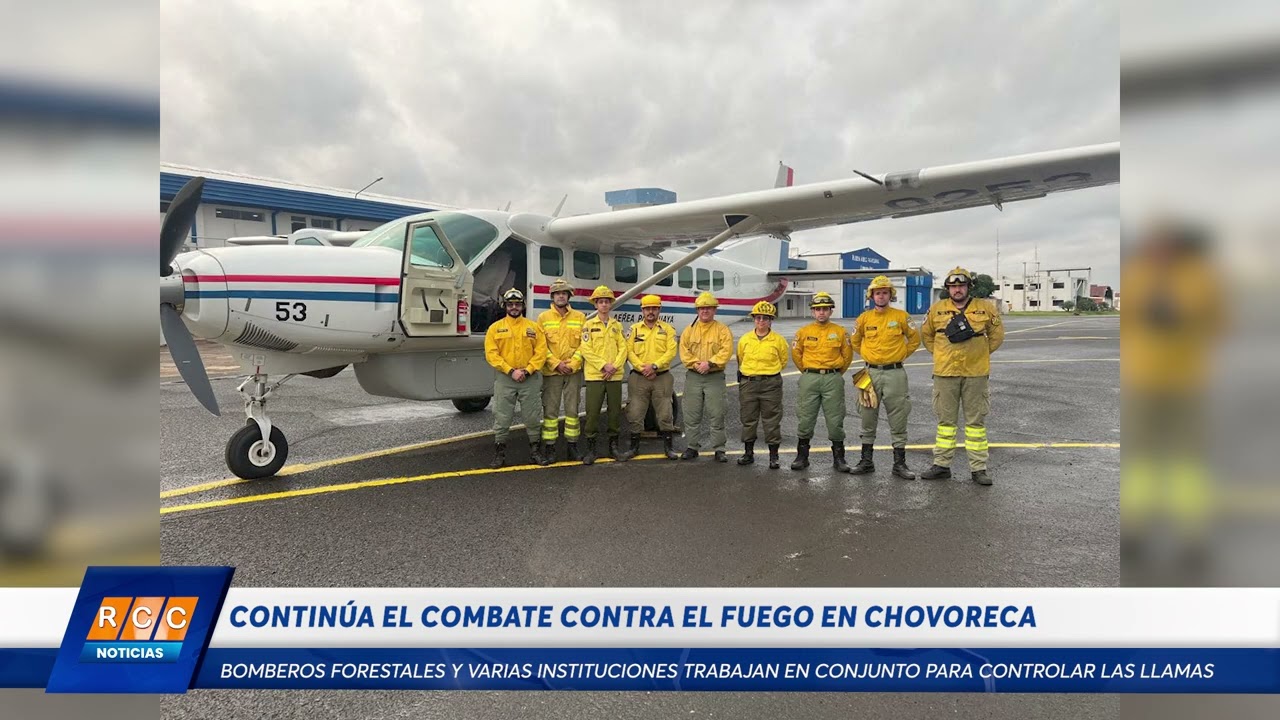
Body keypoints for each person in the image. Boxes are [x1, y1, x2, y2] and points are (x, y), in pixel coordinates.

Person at [919, 267, 1006, 485]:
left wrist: (980, 354)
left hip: (975, 373)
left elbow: (996, 335)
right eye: (953, 286)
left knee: (975, 423)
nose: (957, 289)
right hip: (945, 373)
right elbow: (927, 336)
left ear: (968, 287)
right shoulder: (936, 309)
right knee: (945, 422)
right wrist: (941, 354)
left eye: (961, 285)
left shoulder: (985, 308)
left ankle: (978, 469)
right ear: (948, 288)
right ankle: (941, 465)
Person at [848, 275, 922, 479]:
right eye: (877, 293)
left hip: (895, 373)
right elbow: (854, 341)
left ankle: (899, 464)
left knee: (898, 416)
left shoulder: (901, 316)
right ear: (872, 296)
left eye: (885, 292)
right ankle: (866, 461)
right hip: (868, 373)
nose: (881, 296)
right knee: (866, 415)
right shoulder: (864, 319)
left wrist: (899, 356)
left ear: (890, 295)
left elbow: (914, 339)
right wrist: (868, 356)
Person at [483, 288, 549, 468]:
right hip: (506, 378)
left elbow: (541, 352)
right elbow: (491, 354)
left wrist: (527, 370)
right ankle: (499, 454)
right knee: (502, 417)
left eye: (517, 304)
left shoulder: (534, 327)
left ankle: (535, 452)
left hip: (530, 378)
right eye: (510, 304)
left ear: (522, 306)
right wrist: (511, 370)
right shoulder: (495, 329)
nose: (514, 307)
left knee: (533, 416)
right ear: (505, 306)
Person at [790, 291, 854, 472]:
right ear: (813, 312)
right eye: (817, 309)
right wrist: (808, 371)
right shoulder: (803, 332)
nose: (821, 313)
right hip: (810, 377)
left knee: (835, 419)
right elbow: (796, 354)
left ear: (831, 311)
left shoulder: (840, 332)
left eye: (825, 309)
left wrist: (835, 373)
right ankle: (802, 457)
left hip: (832, 378)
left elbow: (847, 356)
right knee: (805, 417)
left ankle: (839, 458)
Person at [617, 294, 680, 461]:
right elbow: (628, 351)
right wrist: (641, 367)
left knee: (665, 412)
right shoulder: (634, 329)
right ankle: (634, 448)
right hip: (639, 376)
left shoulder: (668, 330)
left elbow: (671, 351)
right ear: (642, 310)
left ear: (659, 309)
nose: (650, 312)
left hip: (661, 376)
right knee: (635, 412)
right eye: (647, 309)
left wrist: (655, 366)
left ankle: (669, 448)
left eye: (654, 308)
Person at [678, 291, 734, 462]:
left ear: (714, 310)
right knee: (691, 414)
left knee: (717, 413)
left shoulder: (722, 330)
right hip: (694, 376)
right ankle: (692, 447)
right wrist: (697, 364)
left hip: (714, 376)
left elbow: (726, 351)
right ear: (697, 310)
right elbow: (684, 351)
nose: (705, 311)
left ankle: (719, 448)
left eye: (708, 308)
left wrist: (709, 363)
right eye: (701, 308)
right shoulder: (689, 330)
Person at [735, 300, 789, 469]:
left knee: (772, 420)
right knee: (748, 419)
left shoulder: (778, 341)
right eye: (758, 318)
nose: (761, 321)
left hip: (770, 384)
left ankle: (774, 456)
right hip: (749, 383)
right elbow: (740, 358)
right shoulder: (745, 339)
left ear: (771, 320)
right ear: (754, 319)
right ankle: (748, 453)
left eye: (765, 318)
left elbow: (783, 361)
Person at [537, 278, 586, 462]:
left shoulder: (580, 317)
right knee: (550, 411)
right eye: (557, 294)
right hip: (552, 372)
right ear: (552, 296)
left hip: (573, 372)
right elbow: (541, 346)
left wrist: (573, 363)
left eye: (563, 293)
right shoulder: (543, 318)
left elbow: (584, 344)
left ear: (568, 296)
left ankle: (572, 446)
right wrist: (556, 364)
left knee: (573, 410)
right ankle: (550, 448)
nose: (560, 296)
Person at [579, 285, 628, 465]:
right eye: (601, 302)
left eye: (607, 302)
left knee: (615, 412)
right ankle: (591, 449)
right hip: (595, 376)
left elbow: (623, 348)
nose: (604, 305)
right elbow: (586, 349)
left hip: (614, 376)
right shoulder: (588, 326)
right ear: (596, 305)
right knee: (592, 413)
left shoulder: (617, 326)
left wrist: (614, 367)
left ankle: (613, 447)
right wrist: (603, 366)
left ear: (610, 305)